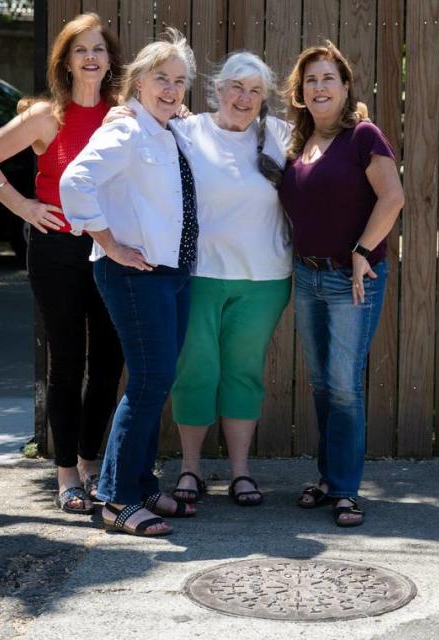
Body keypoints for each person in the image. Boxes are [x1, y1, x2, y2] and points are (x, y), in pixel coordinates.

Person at [0, 13, 124, 515]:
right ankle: (65, 475)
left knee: (108, 362)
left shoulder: (123, 114)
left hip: (110, 249)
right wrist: (26, 207)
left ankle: (92, 463)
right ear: (66, 61)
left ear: (110, 60)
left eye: (99, 49)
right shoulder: (44, 117)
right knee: (67, 361)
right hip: (56, 251)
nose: (91, 58)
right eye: (81, 50)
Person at [59, 29, 199, 536]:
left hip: (173, 272)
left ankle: (139, 483)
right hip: (134, 273)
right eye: (161, 78)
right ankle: (117, 498)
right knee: (146, 381)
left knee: (157, 380)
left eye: (179, 81)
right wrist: (110, 243)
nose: (170, 88)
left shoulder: (172, 128)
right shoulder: (125, 129)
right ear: (138, 80)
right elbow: (73, 181)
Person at [277, 42, 404, 527]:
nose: (319, 87)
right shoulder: (298, 145)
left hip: (353, 279)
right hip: (307, 277)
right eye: (311, 80)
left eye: (328, 78)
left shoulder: (363, 136)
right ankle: (329, 480)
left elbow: (392, 198)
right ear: (300, 92)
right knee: (321, 385)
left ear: (346, 86)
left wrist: (361, 251)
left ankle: (347, 490)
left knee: (344, 386)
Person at [166, 52, 292, 507]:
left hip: (265, 279)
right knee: (195, 371)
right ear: (216, 89)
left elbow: (328, 152)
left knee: (243, 373)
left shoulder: (279, 135)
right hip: (200, 274)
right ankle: (190, 469)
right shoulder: (186, 130)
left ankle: (241, 473)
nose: (244, 98)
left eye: (255, 90)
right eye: (236, 87)